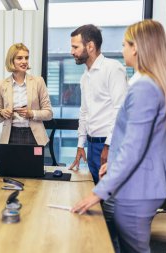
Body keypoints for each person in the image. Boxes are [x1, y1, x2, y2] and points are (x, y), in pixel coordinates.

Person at [72, 20, 166, 253]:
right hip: (139, 184)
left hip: (138, 188)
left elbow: (133, 148)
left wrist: (98, 193)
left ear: (137, 48)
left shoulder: (145, 88)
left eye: (124, 44)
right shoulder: (145, 83)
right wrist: (112, 164)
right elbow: (139, 140)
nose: (122, 50)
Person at [67, 24, 128, 184]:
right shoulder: (85, 77)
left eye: (75, 47)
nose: (71, 52)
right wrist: (81, 145)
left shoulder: (113, 69)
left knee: (110, 196)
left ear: (91, 46)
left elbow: (120, 110)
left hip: (109, 145)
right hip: (93, 145)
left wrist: (109, 146)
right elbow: (84, 112)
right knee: (96, 192)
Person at [0, 43, 53, 146]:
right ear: (11, 60)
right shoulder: (1, 85)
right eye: (19, 58)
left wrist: (31, 113)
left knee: (34, 163)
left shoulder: (38, 82)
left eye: (26, 58)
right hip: (10, 136)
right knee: (11, 163)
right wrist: (2, 113)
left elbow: (49, 113)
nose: (24, 61)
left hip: (34, 136)